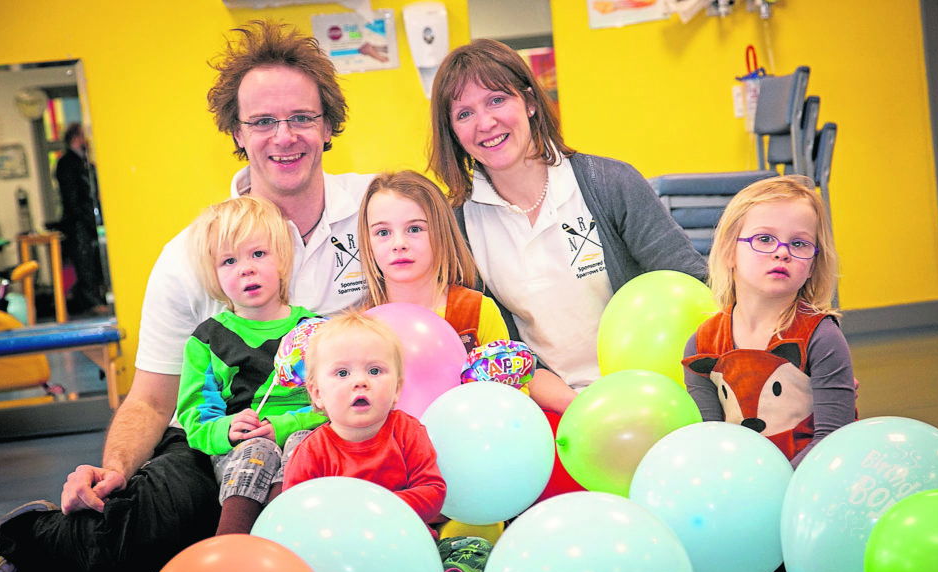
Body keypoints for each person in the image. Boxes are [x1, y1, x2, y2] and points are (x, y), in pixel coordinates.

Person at [0, 20, 372, 572]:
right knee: (161, 530)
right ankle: (21, 541)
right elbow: (153, 396)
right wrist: (111, 472)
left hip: (338, 428)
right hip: (221, 437)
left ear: (328, 124)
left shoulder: (377, 215)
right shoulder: (192, 253)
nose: (284, 136)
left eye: (301, 116)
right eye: (262, 121)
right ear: (237, 133)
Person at [428, 38, 708, 417]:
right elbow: (500, 345)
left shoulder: (609, 183)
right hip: (558, 409)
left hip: (654, 394)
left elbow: (690, 285)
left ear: (528, 102)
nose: (485, 123)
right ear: (453, 133)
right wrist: (580, 408)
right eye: (464, 114)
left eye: (497, 100)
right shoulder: (458, 224)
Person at [283, 310, 490, 572]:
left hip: (411, 554)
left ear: (396, 389)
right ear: (317, 393)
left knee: (478, 548)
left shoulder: (408, 431)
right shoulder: (312, 451)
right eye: (342, 374)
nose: (361, 382)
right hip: (345, 563)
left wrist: (380, 508)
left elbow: (433, 491)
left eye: (375, 371)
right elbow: (296, 517)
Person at [681, 175, 855, 467]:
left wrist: (779, 486)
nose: (782, 252)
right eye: (764, 239)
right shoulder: (702, 344)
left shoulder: (821, 337)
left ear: (813, 265)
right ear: (728, 252)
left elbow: (833, 439)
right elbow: (710, 441)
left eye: (799, 244)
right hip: (739, 483)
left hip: (811, 480)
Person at [177, 195, 325, 536]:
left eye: (258, 254)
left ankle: (289, 539)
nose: (247, 268)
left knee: (304, 445)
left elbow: (333, 403)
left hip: (303, 433)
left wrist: (285, 426)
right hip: (241, 450)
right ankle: (231, 546)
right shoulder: (207, 341)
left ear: (283, 260)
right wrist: (226, 429)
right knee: (257, 450)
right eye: (229, 261)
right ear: (213, 275)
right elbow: (195, 420)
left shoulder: (315, 331)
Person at [357, 170, 508, 352]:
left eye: (414, 229)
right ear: (367, 243)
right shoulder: (360, 327)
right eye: (383, 232)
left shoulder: (478, 312)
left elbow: (505, 380)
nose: (399, 244)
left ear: (442, 233)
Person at [55, 122, 107, 317]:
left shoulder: (86, 162)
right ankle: (89, 301)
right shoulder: (67, 163)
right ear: (75, 138)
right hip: (78, 222)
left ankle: (94, 298)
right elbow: (72, 197)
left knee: (93, 262)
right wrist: (85, 219)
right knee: (83, 263)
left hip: (89, 220)